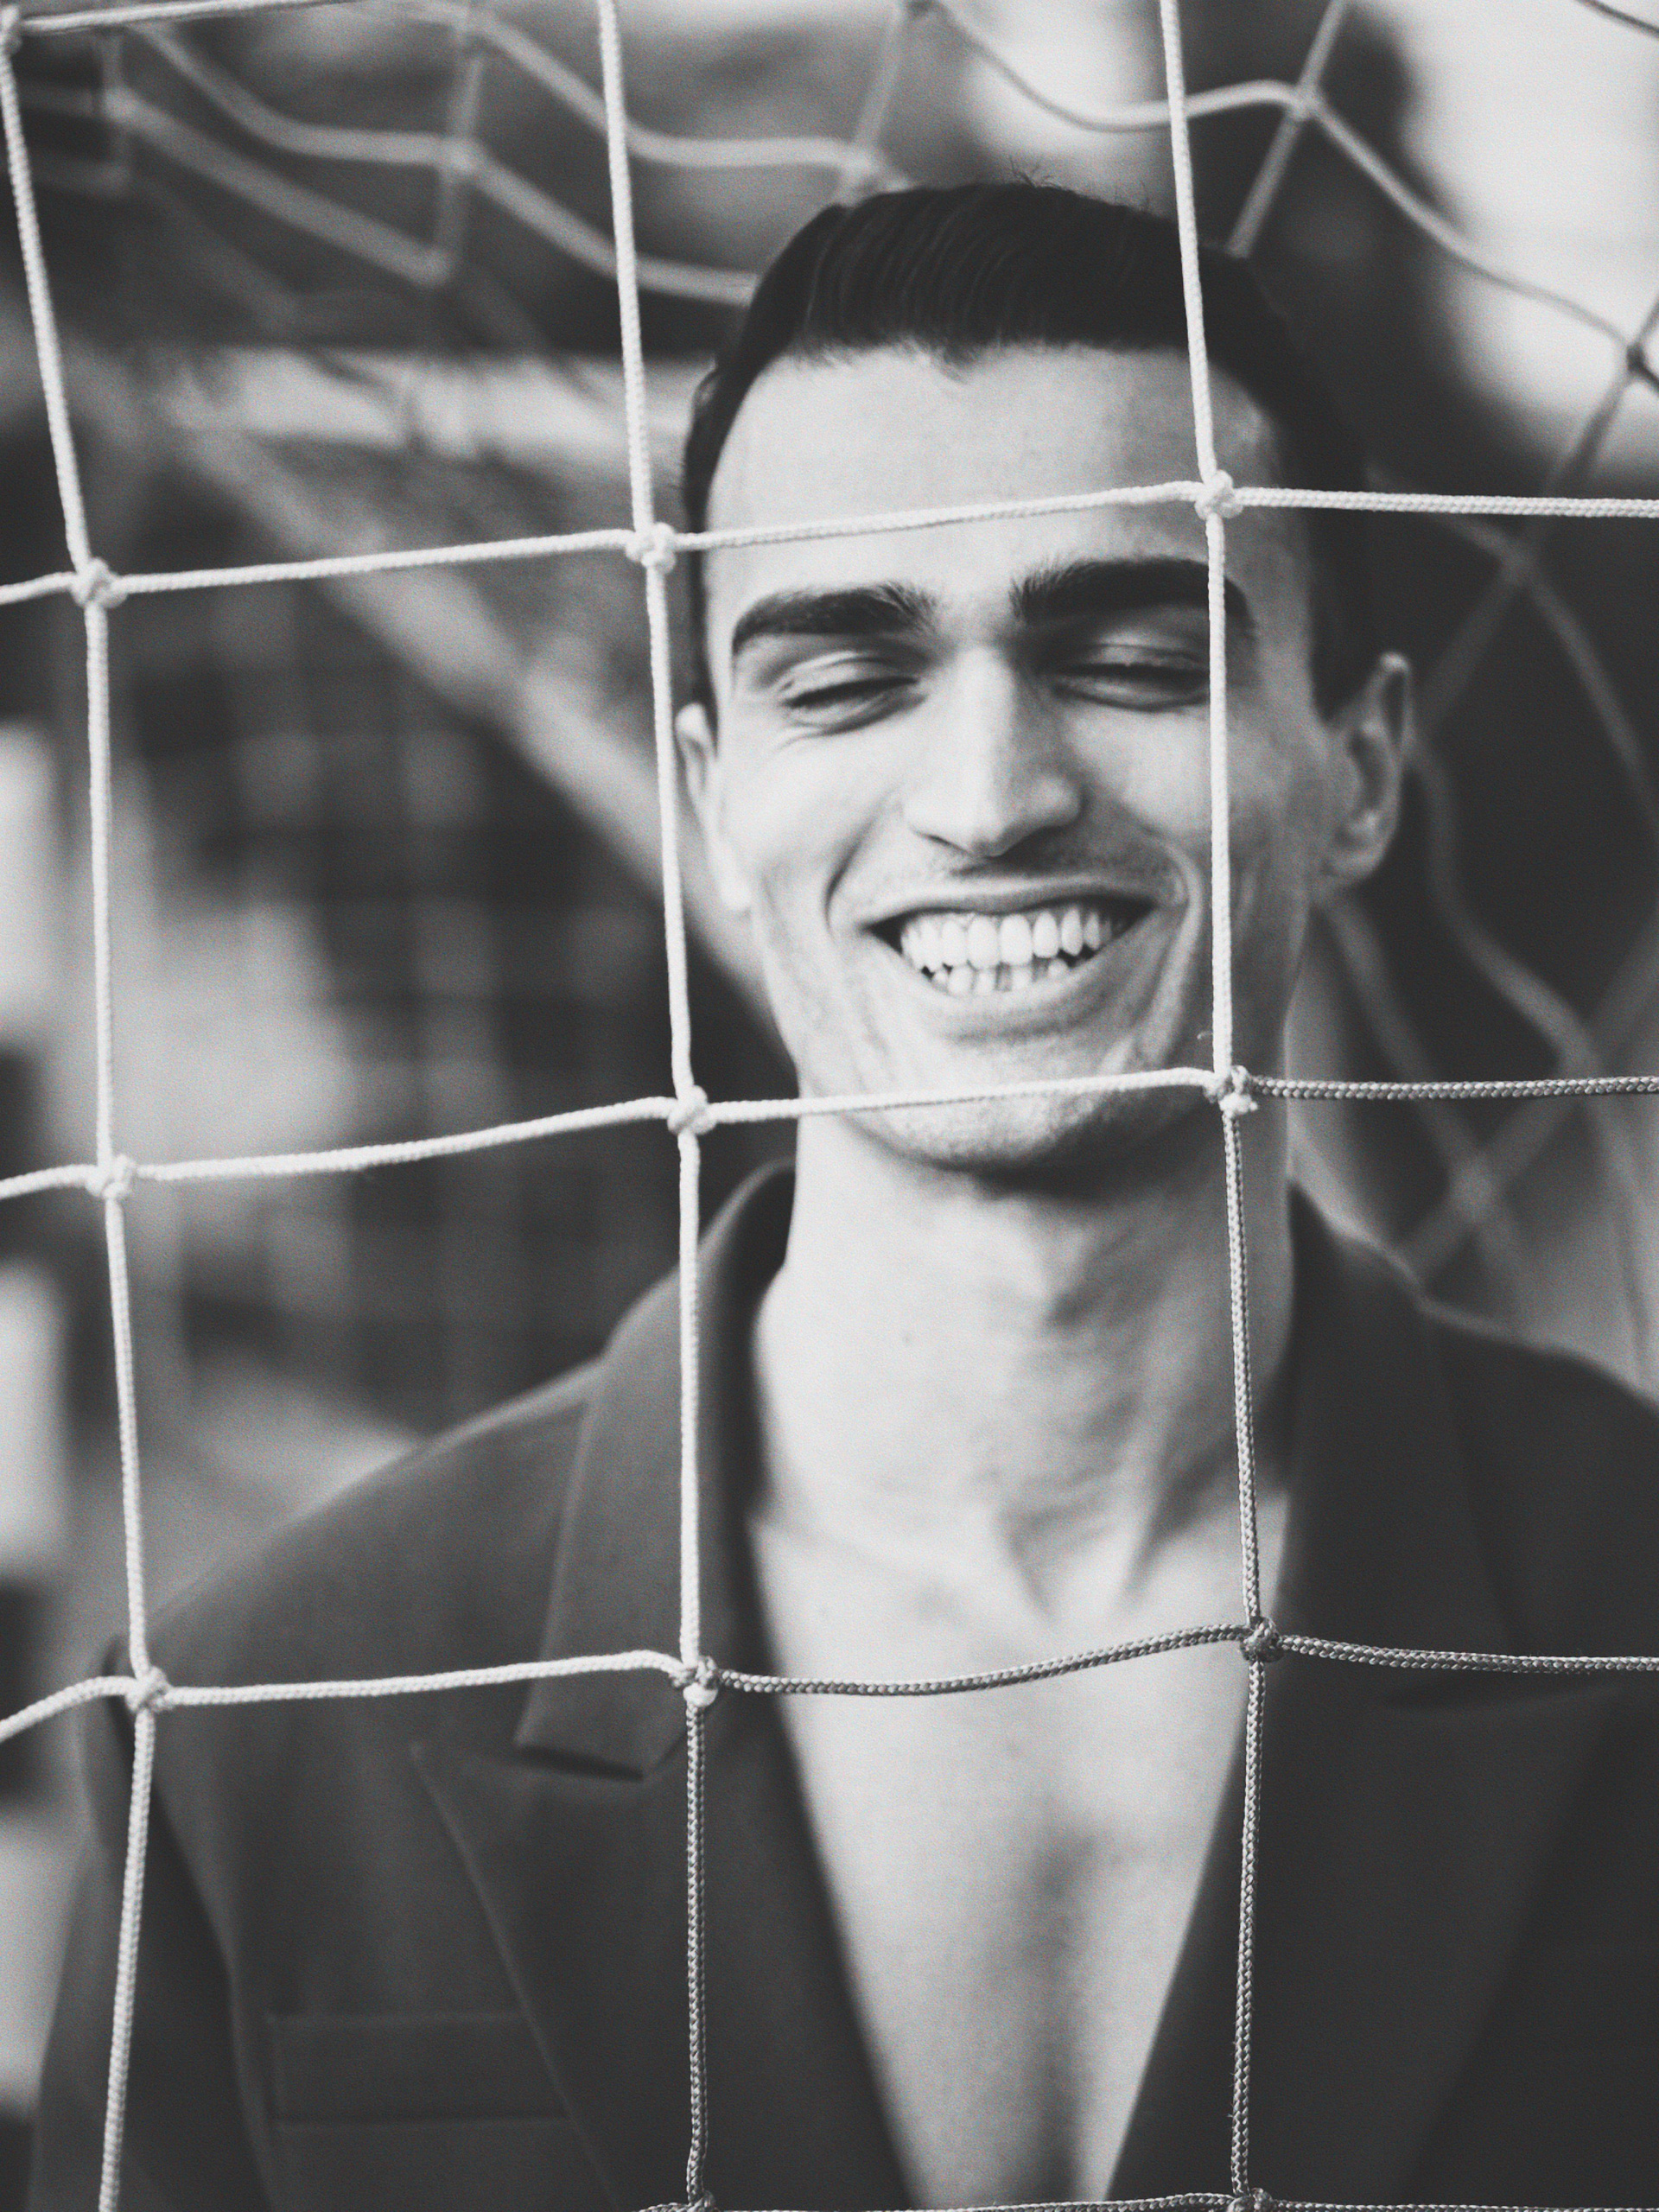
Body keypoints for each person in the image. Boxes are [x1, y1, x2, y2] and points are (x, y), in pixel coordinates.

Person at [29, 185, 1659, 2212]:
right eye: (845, 679)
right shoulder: (258, 1725)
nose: (988, 795)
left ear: (1362, 765)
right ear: (712, 793)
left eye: (1131, 654)